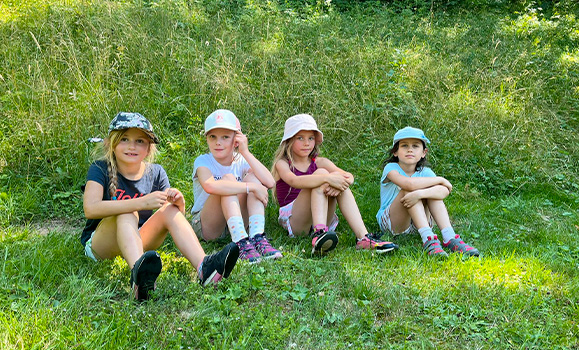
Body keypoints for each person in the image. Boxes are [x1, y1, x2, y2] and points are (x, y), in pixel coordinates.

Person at [81, 112, 239, 302]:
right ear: (111, 143)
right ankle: (138, 277)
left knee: (168, 210)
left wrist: (178, 203)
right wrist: (141, 203)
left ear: (148, 148)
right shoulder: (100, 169)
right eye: (124, 139)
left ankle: (205, 268)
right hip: (102, 243)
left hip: (138, 239)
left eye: (140, 141)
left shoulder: (155, 172)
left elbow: (173, 217)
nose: (132, 146)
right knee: (127, 212)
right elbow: (90, 208)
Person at [271, 114, 398, 256]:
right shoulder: (283, 163)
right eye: (300, 138)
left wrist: (336, 182)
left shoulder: (320, 162)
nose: (306, 143)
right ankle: (319, 233)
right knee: (322, 174)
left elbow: (349, 177)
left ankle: (363, 237)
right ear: (289, 141)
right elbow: (294, 181)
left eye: (311, 138)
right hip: (296, 221)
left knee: (336, 181)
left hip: (322, 214)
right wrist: (327, 178)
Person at [191, 109, 281, 263]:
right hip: (209, 226)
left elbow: (270, 182)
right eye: (213, 137)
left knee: (253, 177)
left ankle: (257, 236)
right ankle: (240, 243)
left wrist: (245, 152)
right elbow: (210, 186)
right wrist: (251, 188)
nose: (218, 142)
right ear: (207, 139)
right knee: (228, 180)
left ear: (237, 139)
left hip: (237, 221)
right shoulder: (203, 161)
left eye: (225, 137)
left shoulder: (241, 160)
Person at [377, 126, 480, 258]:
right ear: (395, 152)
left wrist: (420, 194)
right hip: (394, 223)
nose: (410, 149)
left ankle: (450, 237)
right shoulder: (391, 168)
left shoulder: (425, 172)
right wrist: (440, 179)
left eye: (415, 146)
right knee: (408, 190)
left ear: (423, 152)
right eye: (404, 146)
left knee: (431, 193)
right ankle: (428, 239)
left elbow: (443, 191)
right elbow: (409, 184)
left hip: (419, 222)